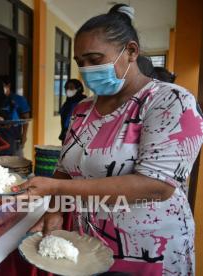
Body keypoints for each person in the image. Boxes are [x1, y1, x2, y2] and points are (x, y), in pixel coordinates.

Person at [14, 4, 202, 275]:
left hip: (149, 248)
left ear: (131, 52)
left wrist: (55, 188)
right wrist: (54, 211)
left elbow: (157, 185)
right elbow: (65, 170)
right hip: (88, 243)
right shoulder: (83, 110)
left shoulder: (170, 101)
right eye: (81, 63)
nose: (87, 70)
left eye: (95, 59)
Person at [0, 75, 31, 156]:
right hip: (0, 140)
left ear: (8, 86)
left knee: (17, 162)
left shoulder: (19, 100)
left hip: (15, 139)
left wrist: (24, 136)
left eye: (3, 86)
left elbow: (26, 119)